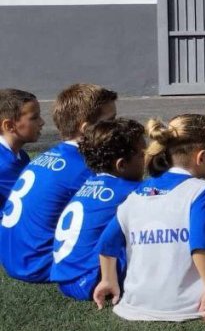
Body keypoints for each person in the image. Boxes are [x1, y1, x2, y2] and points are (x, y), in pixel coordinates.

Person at [94, 114, 205, 323]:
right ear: (201, 156)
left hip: (135, 303)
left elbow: (107, 241)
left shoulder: (137, 192)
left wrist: (108, 279)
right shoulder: (203, 191)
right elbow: (200, 246)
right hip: (191, 304)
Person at [0, 83, 117, 282]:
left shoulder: (41, 157)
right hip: (41, 263)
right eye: (111, 121)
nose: (117, 127)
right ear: (87, 128)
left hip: (16, 256)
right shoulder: (85, 166)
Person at [50, 118, 145, 300]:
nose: (146, 158)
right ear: (122, 165)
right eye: (141, 155)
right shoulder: (128, 190)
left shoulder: (88, 183)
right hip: (89, 280)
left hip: (65, 276)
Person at [0, 89, 43, 207]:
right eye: (34, 118)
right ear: (9, 126)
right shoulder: (4, 166)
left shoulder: (21, 155)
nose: (42, 122)